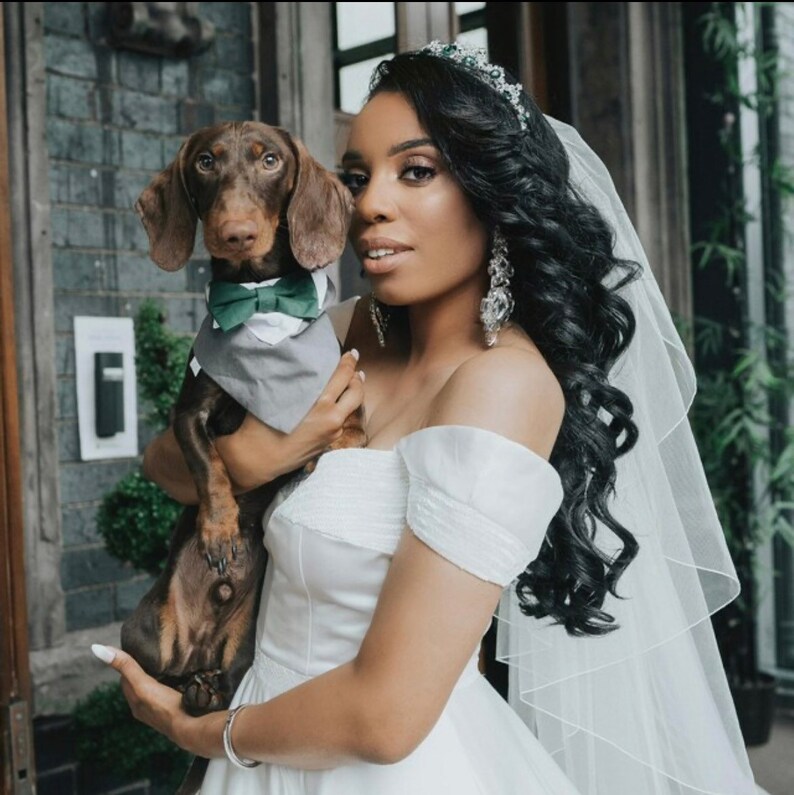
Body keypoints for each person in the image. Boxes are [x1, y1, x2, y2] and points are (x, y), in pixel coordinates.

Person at [90, 41, 759, 794]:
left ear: (491, 193)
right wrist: (265, 454)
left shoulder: (502, 384)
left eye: (416, 171)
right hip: (260, 744)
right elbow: (163, 465)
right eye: (357, 175)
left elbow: (386, 715)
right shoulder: (344, 333)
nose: (371, 202)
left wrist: (195, 731)